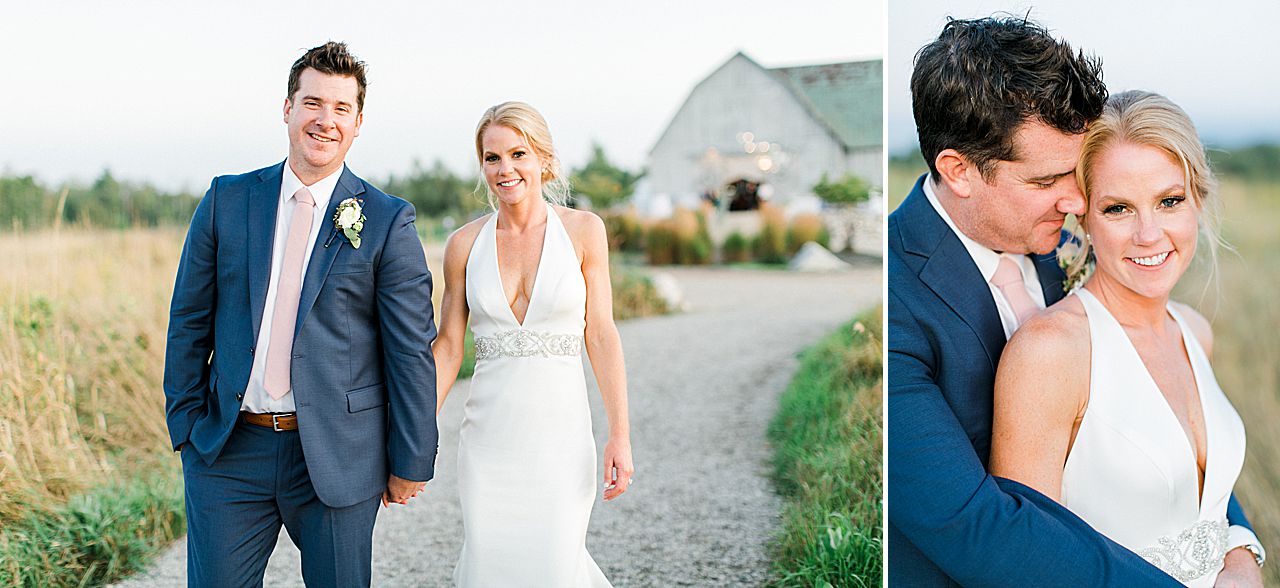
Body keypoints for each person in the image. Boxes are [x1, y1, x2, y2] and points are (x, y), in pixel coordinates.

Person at [886, 17, 1263, 586]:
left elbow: (1182, 454)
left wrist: (1237, 548)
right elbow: (978, 528)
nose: (1076, 201)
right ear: (958, 171)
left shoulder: (1063, 243)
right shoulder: (891, 300)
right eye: (1047, 180)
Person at [162, 42, 438, 587]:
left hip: (339, 453)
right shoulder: (226, 199)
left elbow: (409, 350)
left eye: (341, 109)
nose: (325, 120)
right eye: (313, 103)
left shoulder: (387, 220)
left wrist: (411, 458)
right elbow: (188, 322)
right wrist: (186, 427)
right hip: (230, 451)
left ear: (359, 123)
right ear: (287, 108)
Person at [990, 90, 1265, 587]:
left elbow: (1208, 510)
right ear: (1085, 218)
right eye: (1118, 208)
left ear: (1197, 202)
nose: (1149, 234)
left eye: (1169, 201)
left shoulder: (1194, 333)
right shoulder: (1050, 351)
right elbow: (1025, 562)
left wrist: (1243, 556)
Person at [432, 101, 634, 587]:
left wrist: (619, 435)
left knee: (554, 566)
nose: (505, 169)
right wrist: (413, 436)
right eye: (492, 157)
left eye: (518, 154)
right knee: (489, 566)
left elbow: (601, 333)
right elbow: (448, 349)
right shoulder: (463, 245)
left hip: (560, 443)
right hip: (487, 443)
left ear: (543, 158)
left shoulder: (585, 231)